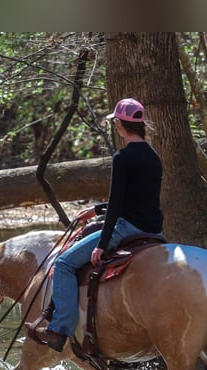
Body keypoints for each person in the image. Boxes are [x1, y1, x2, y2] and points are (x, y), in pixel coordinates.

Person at [26, 97, 164, 352]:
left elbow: (117, 205)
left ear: (120, 126)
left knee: (64, 263)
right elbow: (135, 198)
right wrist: (96, 210)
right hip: (154, 231)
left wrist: (101, 245)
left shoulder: (123, 158)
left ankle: (59, 329)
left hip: (127, 228)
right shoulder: (153, 156)